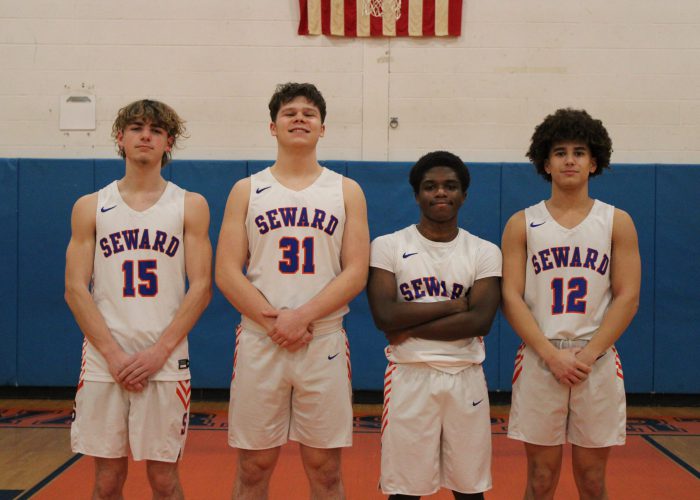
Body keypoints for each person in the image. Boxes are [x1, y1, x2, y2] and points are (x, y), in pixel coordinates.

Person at [215, 82, 369, 499]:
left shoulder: (346, 190)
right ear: (272, 127)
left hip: (322, 340)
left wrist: (301, 317)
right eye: (289, 112)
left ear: (323, 129)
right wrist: (277, 322)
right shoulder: (247, 189)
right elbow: (227, 271)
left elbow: (355, 272)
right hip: (260, 340)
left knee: (324, 469)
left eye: (309, 113)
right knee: (254, 466)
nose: (299, 118)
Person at [64, 99, 212, 500]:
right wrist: (113, 354)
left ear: (169, 143)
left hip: (163, 361)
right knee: (107, 481)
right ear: (120, 138)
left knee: (164, 481)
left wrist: (158, 352)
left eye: (156, 129)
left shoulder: (190, 205)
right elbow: (75, 289)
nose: (145, 135)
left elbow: (201, 287)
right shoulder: (91, 206)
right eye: (136, 128)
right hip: (102, 361)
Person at [502, 108, 641, 500]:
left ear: (594, 161)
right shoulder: (521, 223)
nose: (569, 160)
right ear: (545, 162)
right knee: (541, 479)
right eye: (560, 152)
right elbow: (511, 297)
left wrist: (588, 355)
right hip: (540, 357)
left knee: (593, 481)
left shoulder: (617, 221)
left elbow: (628, 296)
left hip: (595, 362)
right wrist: (551, 355)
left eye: (579, 152)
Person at [367, 151, 501, 500]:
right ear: (417, 195)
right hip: (410, 376)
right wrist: (452, 306)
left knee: (470, 491)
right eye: (430, 186)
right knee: (405, 492)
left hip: (465, 377)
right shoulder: (388, 246)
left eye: (450, 186)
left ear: (464, 195)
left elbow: (480, 321)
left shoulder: (484, 251)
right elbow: (383, 315)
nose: (440, 193)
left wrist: (406, 325)